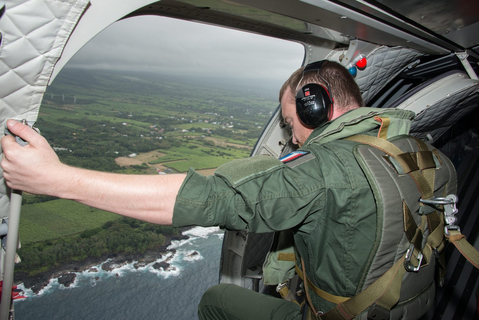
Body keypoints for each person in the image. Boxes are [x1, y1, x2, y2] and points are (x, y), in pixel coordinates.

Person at [1, 61, 416, 319]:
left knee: (218, 300)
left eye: (291, 125)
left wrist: (55, 180)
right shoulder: (419, 153)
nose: (292, 140)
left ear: (316, 105)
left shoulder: (324, 169)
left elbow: (211, 197)